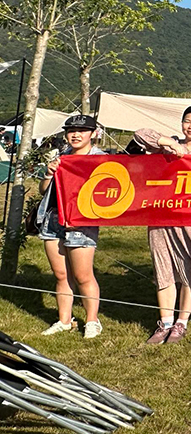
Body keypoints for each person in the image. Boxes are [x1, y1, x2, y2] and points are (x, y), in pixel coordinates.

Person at [133, 107, 191, 344]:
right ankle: (164, 322)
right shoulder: (168, 147)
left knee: (189, 270)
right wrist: (169, 142)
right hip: (161, 217)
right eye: (187, 121)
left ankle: (181, 322)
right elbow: (140, 134)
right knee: (163, 268)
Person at [37, 115, 105, 339]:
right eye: (71, 130)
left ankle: (92, 321)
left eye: (82, 130)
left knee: (83, 275)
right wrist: (49, 173)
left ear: (93, 133)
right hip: (53, 220)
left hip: (81, 223)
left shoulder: (101, 159)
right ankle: (64, 320)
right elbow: (43, 190)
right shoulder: (62, 157)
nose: (76, 135)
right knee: (61, 275)